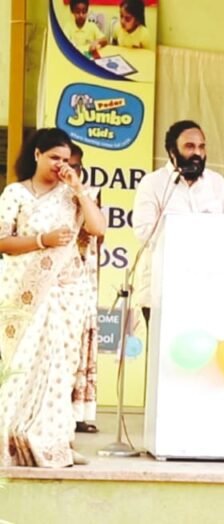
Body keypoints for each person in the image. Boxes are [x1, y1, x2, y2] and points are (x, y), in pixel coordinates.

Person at [0, 128, 107, 467]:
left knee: (59, 371)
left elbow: (98, 228)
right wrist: (42, 240)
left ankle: (54, 442)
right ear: (37, 155)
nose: (61, 165)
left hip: (67, 295)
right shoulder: (15, 193)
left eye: (66, 160)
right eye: (54, 158)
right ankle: (10, 439)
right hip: (24, 294)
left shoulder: (72, 194)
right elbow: (2, 240)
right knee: (20, 367)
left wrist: (78, 189)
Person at [133, 121, 224, 322]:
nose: (197, 153)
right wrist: (188, 235)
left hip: (208, 289)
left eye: (201, 146)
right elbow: (144, 232)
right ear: (172, 151)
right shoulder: (153, 183)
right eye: (190, 146)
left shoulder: (216, 183)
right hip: (162, 290)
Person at [68, 143, 102, 435]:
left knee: (81, 346)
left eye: (76, 165)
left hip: (83, 278)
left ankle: (77, 415)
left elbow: (98, 235)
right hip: (52, 282)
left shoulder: (90, 194)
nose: (70, 170)